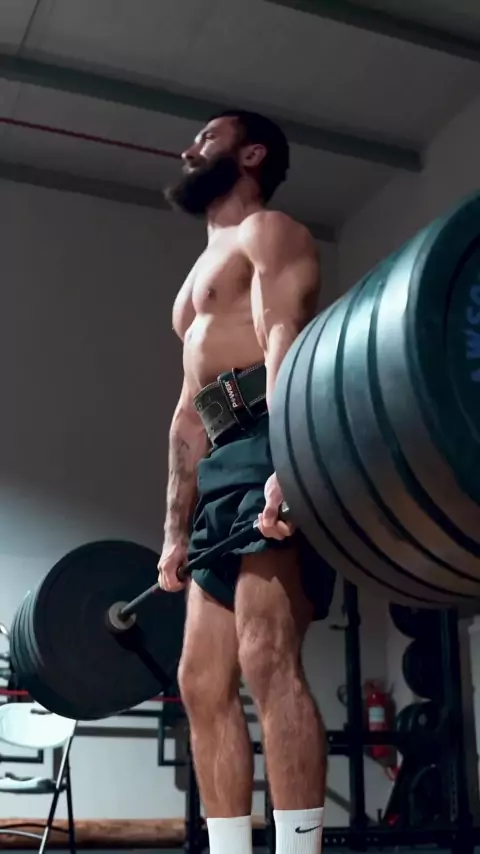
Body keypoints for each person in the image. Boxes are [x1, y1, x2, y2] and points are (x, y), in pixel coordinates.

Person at [159, 109, 336, 854]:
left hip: (274, 438)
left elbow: (282, 342)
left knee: (267, 655)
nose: (189, 148)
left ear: (252, 154)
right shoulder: (190, 290)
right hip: (222, 460)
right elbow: (189, 413)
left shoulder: (269, 231)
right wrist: (174, 530)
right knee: (200, 681)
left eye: (208, 137)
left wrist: (289, 463)